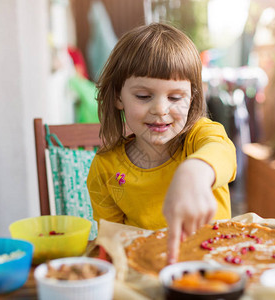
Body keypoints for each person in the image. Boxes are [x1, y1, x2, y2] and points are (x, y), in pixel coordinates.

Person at [87, 23, 237, 264]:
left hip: (216, 269)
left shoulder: (199, 138)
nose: (160, 109)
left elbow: (223, 153)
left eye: (175, 97)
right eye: (144, 96)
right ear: (117, 96)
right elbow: (113, 245)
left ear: (192, 98)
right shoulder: (105, 170)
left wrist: (194, 171)